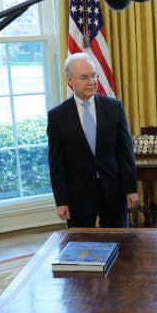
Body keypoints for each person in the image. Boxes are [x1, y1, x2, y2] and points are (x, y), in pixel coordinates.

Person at [47, 53, 139, 228]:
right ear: (70, 81)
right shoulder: (57, 116)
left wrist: (131, 188)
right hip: (78, 194)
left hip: (113, 189)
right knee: (81, 246)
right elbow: (56, 163)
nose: (92, 81)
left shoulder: (114, 107)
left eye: (94, 75)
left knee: (120, 244)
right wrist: (62, 201)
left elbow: (125, 153)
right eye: (84, 77)